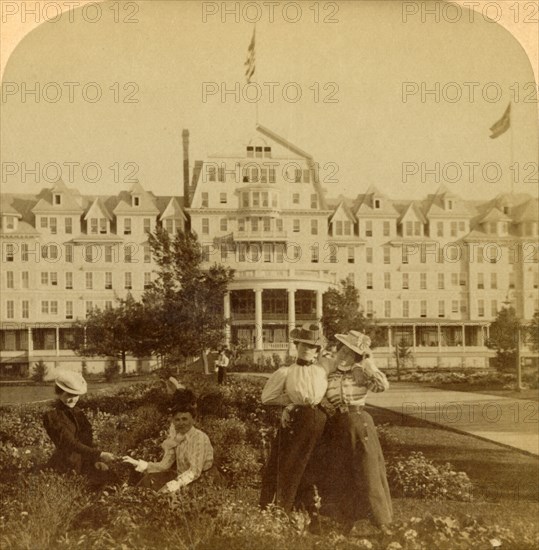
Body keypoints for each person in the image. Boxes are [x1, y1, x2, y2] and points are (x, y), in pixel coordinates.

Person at [316, 330, 393, 529]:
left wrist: (368, 363)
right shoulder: (331, 374)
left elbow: (382, 386)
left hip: (359, 422)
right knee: (342, 473)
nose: (342, 352)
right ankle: (345, 520)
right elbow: (318, 394)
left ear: (355, 355)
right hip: (338, 425)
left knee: (367, 471)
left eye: (348, 350)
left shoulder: (361, 372)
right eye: (342, 348)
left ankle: (382, 521)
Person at [259, 323, 330, 512]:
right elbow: (267, 398)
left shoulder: (321, 371)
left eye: (312, 346)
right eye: (304, 345)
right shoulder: (287, 372)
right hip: (297, 422)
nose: (307, 349)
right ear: (296, 345)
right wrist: (291, 403)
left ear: (317, 350)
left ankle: (311, 509)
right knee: (290, 464)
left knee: (314, 465)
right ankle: (282, 508)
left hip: (319, 422)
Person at [122, 390, 215, 492]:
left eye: (185, 419)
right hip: (181, 476)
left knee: (168, 496)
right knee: (148, 481)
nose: (181, 423)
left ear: (193, 419)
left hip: (201, 479)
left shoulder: (199, 438)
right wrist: (136, 462)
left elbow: (194, 472)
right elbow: (165, 465)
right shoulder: (175, 434)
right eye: (177, 420)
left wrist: (171, 486)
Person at [43, 370, 116, 483]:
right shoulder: (52, 416)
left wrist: (95, 459)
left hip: (85, 460)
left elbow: (87, 439)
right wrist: (99, 454)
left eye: (76, 395)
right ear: (59, 393)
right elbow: (69, 443)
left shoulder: (77, 412)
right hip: (66, 464)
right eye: (69, 395)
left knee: (113, 479)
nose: (74, 399)